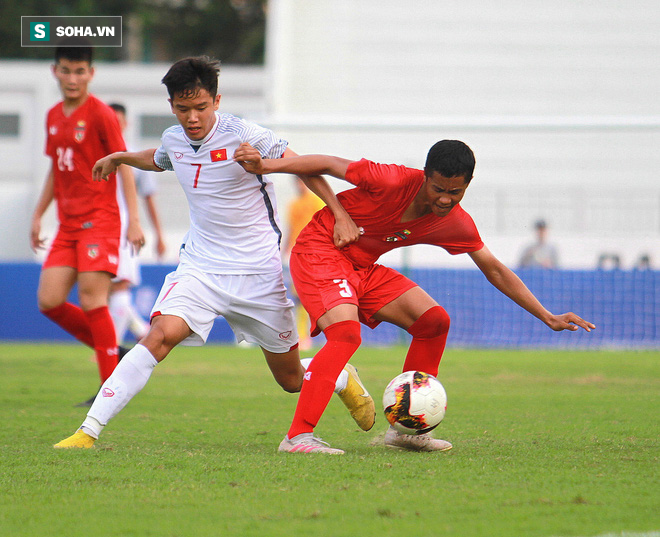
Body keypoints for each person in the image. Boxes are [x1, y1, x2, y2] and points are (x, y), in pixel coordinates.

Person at [54, 56, 375, 449]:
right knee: (159, 335)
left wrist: (339, 213)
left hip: (258, 274)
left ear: (217, 101)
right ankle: (87, 431)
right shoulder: (175, 138)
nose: (193, 117)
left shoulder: (246, 134)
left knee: (291, 380)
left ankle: (340, 377)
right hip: (200, 269)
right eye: (183, 108)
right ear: (172, 105)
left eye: (201, 107)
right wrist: (121, 157)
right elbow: (159, 159)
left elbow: (303, 166)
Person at [233, 140, 596, 455]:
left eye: (455, 192)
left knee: (434, 321)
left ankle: (406, 431)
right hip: (321, 251)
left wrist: (546, 316)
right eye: (438, 188)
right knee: (345, 334)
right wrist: (267, 166)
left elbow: (495, 269)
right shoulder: (390, 178)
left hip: (361, 267)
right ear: (425, 175)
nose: (444, 198)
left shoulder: (456, 222)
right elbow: (327, 163)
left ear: (468, 185)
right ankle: (298, 436)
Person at [30, 44, 144, 405]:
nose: (73, 78)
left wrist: (134, 220)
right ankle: (116, 351)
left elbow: (123, 163)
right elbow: (56, 168)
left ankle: (108, 391)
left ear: (91, 74)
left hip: (100, 220)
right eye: (66, 70)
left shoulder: (101, 115)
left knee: (93, 299)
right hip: (67, 224)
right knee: (49, 301)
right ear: (55, 72)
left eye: (80, 71)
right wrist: (38, 213)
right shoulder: (52, 115)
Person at [108, 103, 167, 345]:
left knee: (120, 287)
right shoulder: (94, 155)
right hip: (97, 226)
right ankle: (140, 329)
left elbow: (149, 199)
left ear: (126, 123)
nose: (115, 125)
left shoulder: (135, 158)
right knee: (104, 291)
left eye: (118, 121)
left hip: (123, 228)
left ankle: (111, 348)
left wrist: (159, 235)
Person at [284, 178, 326, 350]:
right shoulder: (294, 205)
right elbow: (291, 229)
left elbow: (325, 226)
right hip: (297, 254)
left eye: (302, 182)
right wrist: (285, 249)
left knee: (315, 297)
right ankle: (302, 337)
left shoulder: (317, 201)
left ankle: (316, 334)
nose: (300, 185)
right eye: (298, 182)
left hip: (315, 254)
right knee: (299, 297)